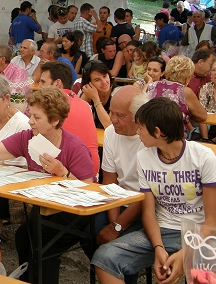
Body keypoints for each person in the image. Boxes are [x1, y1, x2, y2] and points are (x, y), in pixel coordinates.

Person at [93, 97, 216, 284]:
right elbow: (149, 213)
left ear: (157, 132)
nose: (138, 132)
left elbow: (212, 220)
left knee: (205, 276)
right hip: (160, 231)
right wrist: (158, 247)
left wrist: (185, 254)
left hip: (197, 233)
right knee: (105, 258)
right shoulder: (145, 157)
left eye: (141, 128)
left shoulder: (202, 156)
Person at [0, 87, 93, 283]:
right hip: (43, 207)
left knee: (38, 238)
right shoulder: (28, 137)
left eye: (37, 118)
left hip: (73, 211)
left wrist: (63, 173)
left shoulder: (74, 147)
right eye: (31, 115)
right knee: (26, 236)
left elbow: (89, 189)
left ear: (55, 120)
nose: (30, 121)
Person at [89, 87, 149, 283]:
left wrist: (117, 227)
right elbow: (109, 181)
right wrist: (114, 222)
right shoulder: (111, 133)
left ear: (138, 117)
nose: (112, 119)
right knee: (87, 230)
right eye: (111, 112)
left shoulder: (149, 139)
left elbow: (148, 195)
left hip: (146, 204)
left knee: (119, 247)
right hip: (117, 200)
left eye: (120, 115)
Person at [39, 61, 100, 177]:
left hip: (70, 176)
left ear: (57, 83)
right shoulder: (85, 105)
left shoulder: (49, 105)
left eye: (42, 82)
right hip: (93, 173)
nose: (39, 87)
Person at [145, 55, 207, 134]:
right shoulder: (184, 91)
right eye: (191, 75)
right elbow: (202, 116)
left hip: (151, 133)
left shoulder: (153, 85)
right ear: (187, 76)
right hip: (173, 137)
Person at [81, 60, 116, 129]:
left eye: (104, 76)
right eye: (97, 80)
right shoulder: (88, 94)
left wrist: (96, 99)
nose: (104, 82)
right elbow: (75, 116)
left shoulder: (117, 93)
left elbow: (109, 126)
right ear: (89, 83)